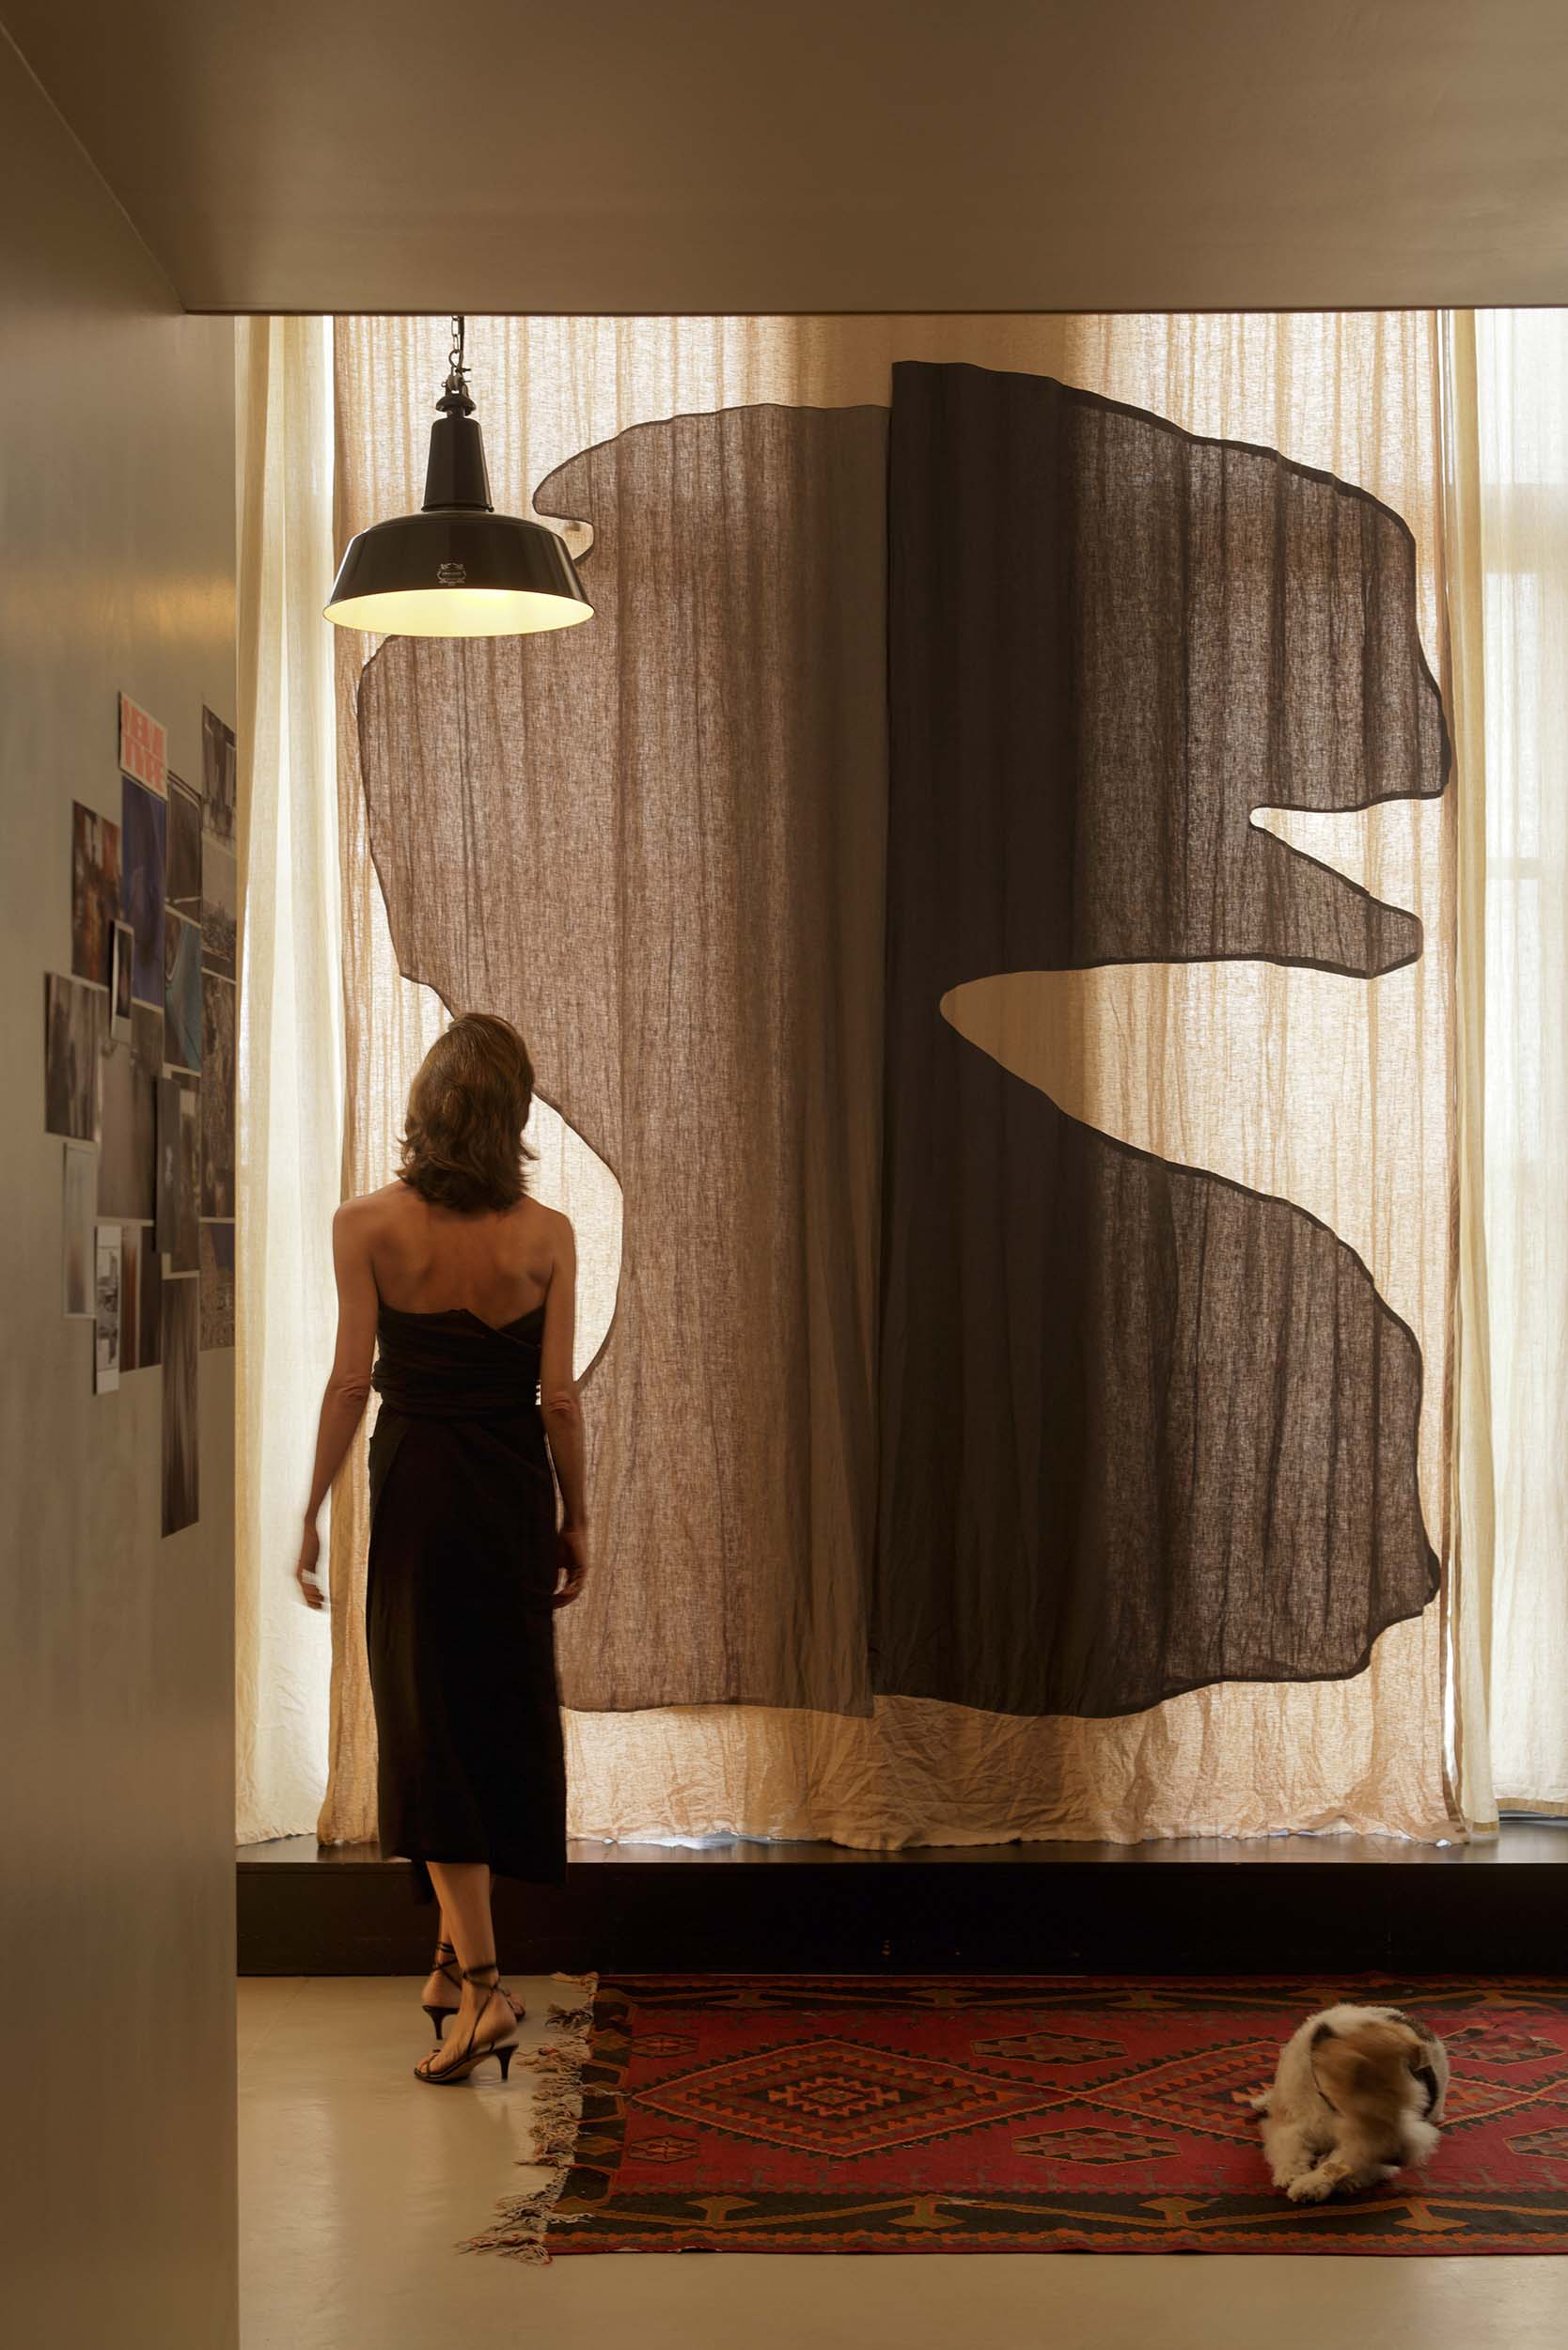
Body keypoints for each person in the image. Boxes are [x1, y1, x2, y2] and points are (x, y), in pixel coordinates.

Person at [294, 1011, 588, 2085]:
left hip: (418, 1488)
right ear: (513, 1116)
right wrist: (577, 1516)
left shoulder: (366, 1224)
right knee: (487, 1716)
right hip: (510, 1492)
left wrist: (311, 1508)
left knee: (429, 1721)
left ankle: (482, 1987)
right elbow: (559, 1400)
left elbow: (349, 1383)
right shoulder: (547, 1235)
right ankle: (453, 1968)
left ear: (426, 1108)